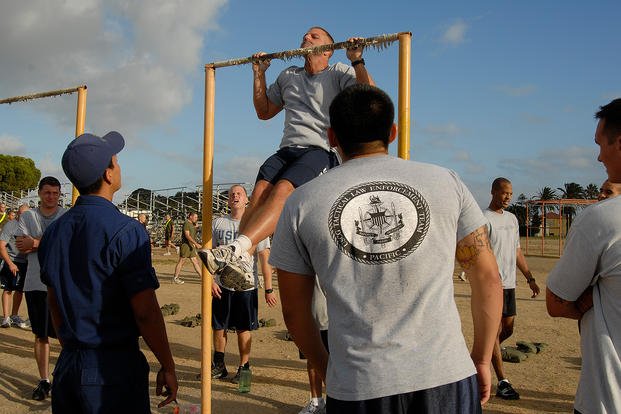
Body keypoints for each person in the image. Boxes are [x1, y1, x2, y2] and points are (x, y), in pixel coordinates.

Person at [270, 84, 503, 413]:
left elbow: (295, 313)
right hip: (446, 376)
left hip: (357, 385)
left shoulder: (302, 202)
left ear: (331, 137)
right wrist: (481, 356)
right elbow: (488, 278)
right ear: (392, 132)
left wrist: (329, 370)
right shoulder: (446, 182)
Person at [199, 27, 375, 289]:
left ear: (328, 50)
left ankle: (238, 250)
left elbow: (367, 96)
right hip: (287, 149)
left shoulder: (339, 71)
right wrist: (259, 73)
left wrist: (356, 59)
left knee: (283, 190)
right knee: (258, 194)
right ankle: (243, 259)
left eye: (314, 37)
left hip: (319, 150)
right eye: (304, 35)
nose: (306, 37)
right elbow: (264, 111)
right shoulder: (289, 75)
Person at [38, 131, 178, 413]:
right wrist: (168, 364)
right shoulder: (127, 231)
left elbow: (53, 300)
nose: (119, 166)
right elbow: (145, 311)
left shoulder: (54, 232)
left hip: (68, 365)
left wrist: (73, 346)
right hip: (111, 368)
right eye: (116, 161)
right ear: (108, 174)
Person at [546, 98, 621, 414]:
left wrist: (592, 297)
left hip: (607, 400)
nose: (599, 156)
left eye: (601, 144)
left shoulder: (602, 219)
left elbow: (555, 302)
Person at [211, 185, 277, 382]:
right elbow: (212, 254)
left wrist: (269, 288)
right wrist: (211, 281)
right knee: (218, 326)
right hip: (221, 284)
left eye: (239, 193)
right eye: (232, 194)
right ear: (228, 201)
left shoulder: (257, 224)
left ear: (247, 199)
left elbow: (265, 259)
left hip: (246, 285)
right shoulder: (218, 223)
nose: (235, 196)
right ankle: (219, 365)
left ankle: (244, 367)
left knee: (243, 327)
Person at [484, 177, 540, 400]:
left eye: (510, 193)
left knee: (507, 330)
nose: (508, 197)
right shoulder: (483, 218)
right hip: (491, 285)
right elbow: (480, 253)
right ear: (493, 192)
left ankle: (485, 352)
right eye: (504, 192)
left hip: (510, 284)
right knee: (494, 332)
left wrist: (530, 277)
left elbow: (516, 251)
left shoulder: (512, 219)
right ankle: (503, 382)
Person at [15, 176, 66, 401]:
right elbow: (20, 247)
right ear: (39, 193)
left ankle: (64, 376)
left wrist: (36, 243)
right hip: (35, 283)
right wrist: (47, 243)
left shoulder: (66, 216)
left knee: (66, 336)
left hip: (61, 285)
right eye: (47, 193)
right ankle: (44, 379)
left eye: (55, 193)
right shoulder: (28, 216)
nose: (51, 197)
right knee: (40, 335)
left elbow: (65, 247)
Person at [298, 277, 329, 414]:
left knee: (337, 363)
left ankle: (336, 401)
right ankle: (317, 401)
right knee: (312, 359)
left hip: (336, 318)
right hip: (312, 315)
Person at [0, 204, 30, 329]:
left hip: (25, 262)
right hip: (11, 261)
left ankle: (14, 315)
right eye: (21, 213)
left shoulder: (30, 226)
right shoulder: (10, 225)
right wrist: (10, 263)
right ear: (17, 213)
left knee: (20, 290)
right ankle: (6, 317)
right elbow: (1, 246)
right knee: (8, 289)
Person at [172, 212, 203, 285]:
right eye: (195, 217)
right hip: (186, 245)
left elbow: (196, 230)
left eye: (196, 217)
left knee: (195, 261)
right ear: (190, 217)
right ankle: (175, 278)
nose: (196, 219)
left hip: (191, 245)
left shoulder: (192, 224)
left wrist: (198, 228)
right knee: (182, 261)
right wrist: (196, 243)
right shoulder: (186, 223)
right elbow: (187, 236)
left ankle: (202, 278)